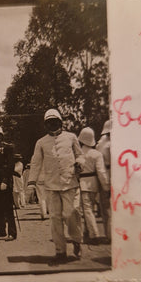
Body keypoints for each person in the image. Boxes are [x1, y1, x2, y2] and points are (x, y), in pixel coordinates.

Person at [28, 108, 84, 264]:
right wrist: (31, 182)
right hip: (51, 186)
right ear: (45, 125)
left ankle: (76, 240)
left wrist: (79, 164)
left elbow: (79, 155)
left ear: (60, 122)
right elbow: (36, 162)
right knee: (55, 218)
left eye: (55, 122)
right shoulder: (41, 142)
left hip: (69, 183)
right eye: (49, 123)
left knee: (71, 213)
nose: (52, 125)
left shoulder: (71, 137)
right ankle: (60, 251)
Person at [77, 127, 110, 243]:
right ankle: (87, 232)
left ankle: (93, 234)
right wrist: (106, 186)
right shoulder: (96, 154)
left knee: (87, 209)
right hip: (94, 183)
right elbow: (101, 172)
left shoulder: (78, 154)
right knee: (91, 208)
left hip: (82, 183)